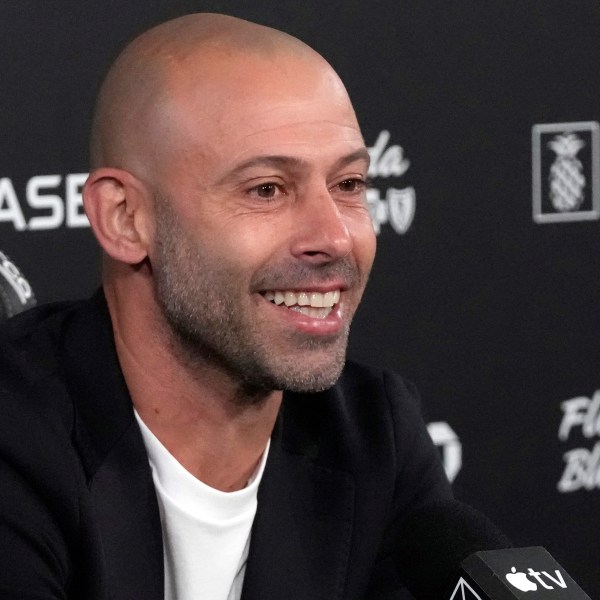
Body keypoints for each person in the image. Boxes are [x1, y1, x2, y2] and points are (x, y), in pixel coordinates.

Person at [0, 13, 451, 600]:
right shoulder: (16, 433)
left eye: (349, 186)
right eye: (267, 189)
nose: (335, 237)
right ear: (124, 218)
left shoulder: (372, 434)